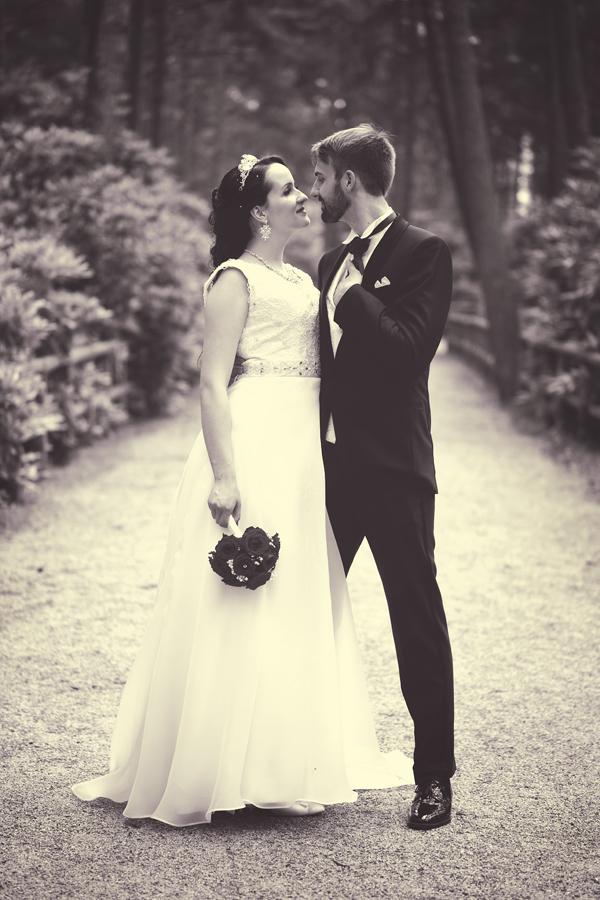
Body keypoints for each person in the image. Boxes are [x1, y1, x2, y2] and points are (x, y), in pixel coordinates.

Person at [71, 153, 412, 827]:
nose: (302, 196)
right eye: (287, 189)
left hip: (303, 450)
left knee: (294, 593)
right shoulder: (234, 278)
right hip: (256, 441)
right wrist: (226, 474)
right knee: (241, 599)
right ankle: (224, 765)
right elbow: (211, 382)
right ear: (259, 212)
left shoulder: (302, 277)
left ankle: (284, 760)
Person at [310, 124, 456, 830]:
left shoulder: (424, 252)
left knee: (415, 619)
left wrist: (352, 298)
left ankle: (434, 779)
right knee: (302, 608)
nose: (314, 191)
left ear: (348, 180)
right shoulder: (327, 262)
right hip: (330, 470)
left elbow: (408, 350)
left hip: (396, 470)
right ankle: (290, 761)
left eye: (321, 178)